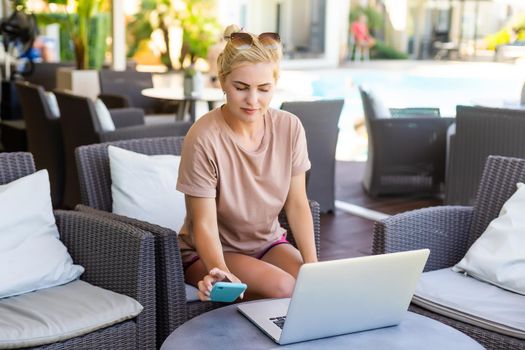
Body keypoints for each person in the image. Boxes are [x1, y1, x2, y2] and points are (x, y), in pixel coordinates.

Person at [177, 24, 317, 301]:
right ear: (222, 81)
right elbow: (203, 223)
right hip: (211, 251)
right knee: (283, 288)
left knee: (313, 287)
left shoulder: (290, 127)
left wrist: (314, 268)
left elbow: (298, 204)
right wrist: (220, 272)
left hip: (268, 243)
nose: (253, 100)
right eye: (241, 88)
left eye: (264, 89)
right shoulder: (203, 136)